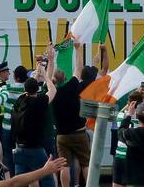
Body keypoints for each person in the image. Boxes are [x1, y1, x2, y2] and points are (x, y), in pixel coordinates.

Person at [50, 41, 90, 187]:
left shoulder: (52, 93)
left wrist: (50, 59)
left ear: (53, 81)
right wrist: (78, 50)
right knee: (85, 163)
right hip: (79, 132)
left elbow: (48, 77)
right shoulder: (73, 85)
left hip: (62, 135)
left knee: (64, 166)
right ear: (65, 77)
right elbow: (79, 69)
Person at [12, 64, 57, 187]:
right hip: (35, 149)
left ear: (25, 90)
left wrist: (37, 74)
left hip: (19, 149)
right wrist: (45, 76)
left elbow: (29, 88)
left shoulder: (19, 101)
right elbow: (53, 90)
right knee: (47, 180)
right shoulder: (39, 102)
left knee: (21, 181)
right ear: (37, 90)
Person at [0, 64, 27, 176]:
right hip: (22, 127)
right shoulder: (29, 88)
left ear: (16, 77)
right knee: (23, 154)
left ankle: (13, 177)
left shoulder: (7, 88)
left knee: (8, 154)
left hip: (7, 127)